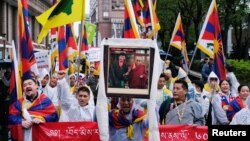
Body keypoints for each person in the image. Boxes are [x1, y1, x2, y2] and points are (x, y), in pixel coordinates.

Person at [9, 76, 58, 141]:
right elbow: (11, 117)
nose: (27, 86)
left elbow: (54, 116)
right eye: (25, 85)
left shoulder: (45, 100)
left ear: (36, 86)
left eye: (30, 84)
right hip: (25, 136)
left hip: (40, 136)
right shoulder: (18, 103)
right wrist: (21, 122)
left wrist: (42, 119)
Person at [0, 68, 11, 141]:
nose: (8, 72)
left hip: (7, 102)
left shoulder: (13, 78)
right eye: (8, 70)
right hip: (3, 101)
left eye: (9, 71)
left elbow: (7, 83)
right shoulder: (4, 78)